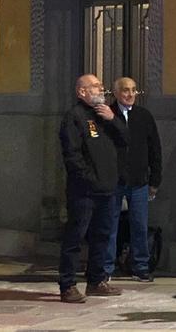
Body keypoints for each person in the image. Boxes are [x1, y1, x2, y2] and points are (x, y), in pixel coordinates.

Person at [58, 74, 129, 303]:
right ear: (82, 92)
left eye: (101, 85)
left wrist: (113, 119)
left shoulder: (105, 114)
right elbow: (73, 155)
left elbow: (126, 140)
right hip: (85, 191)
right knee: (75, 237)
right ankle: (67, 284)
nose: (102, 89)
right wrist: (90, 179)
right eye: (96, 86)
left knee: (103, 235)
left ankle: (96, 280)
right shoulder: (74, 117)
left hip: (108, 188)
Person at [105, 77, 162, 282]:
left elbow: (155, 148)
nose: (130, 94)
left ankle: (141, 265)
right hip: (114, 180)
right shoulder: (108, 114)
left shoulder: (143, 116)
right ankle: (107, 267)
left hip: (139, 180)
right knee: (109, 225)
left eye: (133, 90)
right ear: (116, 93)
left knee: (139, 224)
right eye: (125, 90)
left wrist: (155, 179)